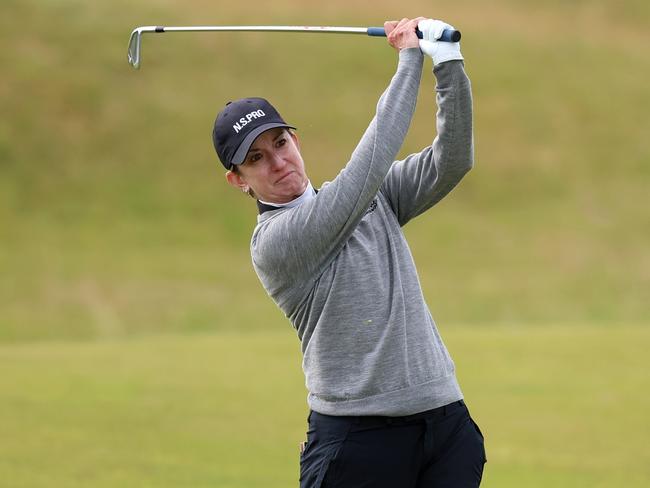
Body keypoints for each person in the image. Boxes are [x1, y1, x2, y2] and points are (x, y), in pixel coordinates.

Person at [212, 17, 485, 488]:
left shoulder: (372, 198)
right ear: (238, 180)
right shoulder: (276, 243)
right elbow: (368, 167)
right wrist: (408, 59)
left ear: (295, 140)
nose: (277, 162)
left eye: (280, 143)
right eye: (255, 158)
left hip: (444, 424)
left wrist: (449, 66)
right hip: (359, 440)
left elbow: (453, 159)